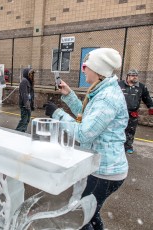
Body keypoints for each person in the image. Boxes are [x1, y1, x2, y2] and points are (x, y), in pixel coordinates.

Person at [43, 48, 129, 230]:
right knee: (90, 214)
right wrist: (69, 95)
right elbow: (86, 118)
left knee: (81, 217)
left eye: (85, 66)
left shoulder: (107, 98)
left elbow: (83, 133)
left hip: (106, 172)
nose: (83, 70)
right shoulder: (101, 91)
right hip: (101, 167)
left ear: (97, 70)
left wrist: (57, 115)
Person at [118, 69, 153, 154]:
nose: (135, 77)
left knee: (131, 131)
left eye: (136, 76)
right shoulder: (119, 85)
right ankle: (118, 146)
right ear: (128, 76)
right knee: (119, 130)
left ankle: (128, 146)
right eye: (133, 75)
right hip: (120, 113)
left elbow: (146, 98)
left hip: (133, 113)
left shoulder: (141, 87)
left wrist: (151, 107)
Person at [15, 68, 35, 132]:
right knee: (24, 120)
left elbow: (30, 94)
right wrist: (27, 105)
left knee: (26, 120)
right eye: (30, 74)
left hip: (28, 104)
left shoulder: (29, 81)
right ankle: (17, 133)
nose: (32, 75)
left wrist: (31, 104)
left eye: (32, 74)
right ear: (27, 74)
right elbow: (24, 94)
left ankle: (22, 132)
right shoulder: (24, 81)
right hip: (25, 105)